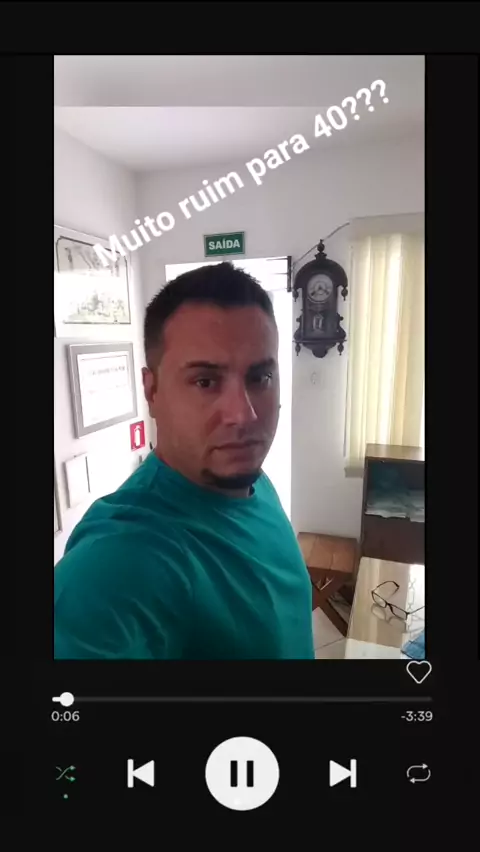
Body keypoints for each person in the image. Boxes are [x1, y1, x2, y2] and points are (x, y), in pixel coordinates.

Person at [54, 262, 315, 660]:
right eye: (205, 381)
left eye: (259, 378)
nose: (243, 415)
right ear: (152, 391)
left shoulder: (253, 481)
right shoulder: (119, 559)